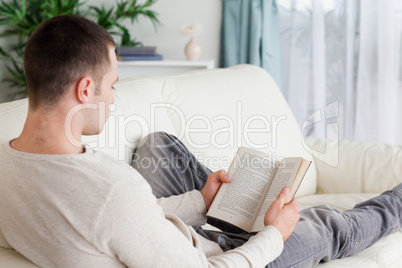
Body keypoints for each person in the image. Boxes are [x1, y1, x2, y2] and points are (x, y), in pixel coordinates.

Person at [0, 14, 400, 268]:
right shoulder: (111, 190)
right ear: (85, 90)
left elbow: (119, 222)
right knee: (329, 224)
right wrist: (274, 234)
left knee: (158, 143)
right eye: (112, 87)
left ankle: (234, 209)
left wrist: (201, 201)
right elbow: (118, 212)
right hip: (220, 255)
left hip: (162, 236)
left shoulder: (7, 162)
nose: (113, 100)